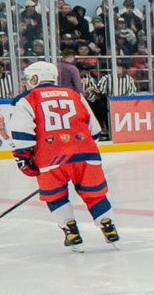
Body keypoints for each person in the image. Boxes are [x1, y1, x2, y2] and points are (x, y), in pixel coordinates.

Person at [7, 60, 118, 248]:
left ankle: (71, 232)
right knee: (94, 194)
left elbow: (22, 134)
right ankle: (108, 226)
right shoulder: (74, 95)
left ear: (35, 78)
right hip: (86, 155)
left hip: (50, 159)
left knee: (55, 196)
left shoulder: (25, 99)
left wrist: (23, 159)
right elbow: (96, 130)